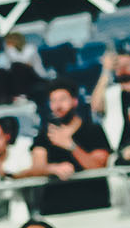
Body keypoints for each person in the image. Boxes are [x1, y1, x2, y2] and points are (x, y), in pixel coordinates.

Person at [30, 83, 109, 212]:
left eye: (62, 99)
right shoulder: (44, 136)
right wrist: (52, 169)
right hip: (55, 208)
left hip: (93, 205)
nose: (57, 106)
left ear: (75, 101)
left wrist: (71, 146)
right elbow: (36, 168)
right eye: (53, 101)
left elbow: (98, 166)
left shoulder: (93, 130)